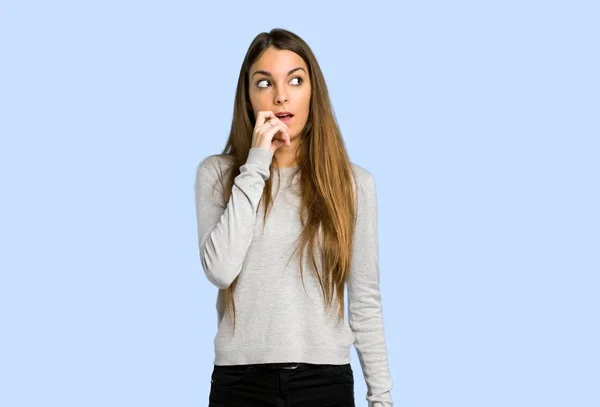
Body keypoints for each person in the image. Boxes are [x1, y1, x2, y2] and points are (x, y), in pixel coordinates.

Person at [194, 28, 393, 407]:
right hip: (240, 383)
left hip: (325, 383)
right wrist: (256, 165)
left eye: (295, 80)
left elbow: (365, 301)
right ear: (248, 97)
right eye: (264, 82)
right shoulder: (218, 175)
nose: (281, 95)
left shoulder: (352, 184)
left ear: (313, 91)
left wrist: (381, 399)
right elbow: (220, 270)